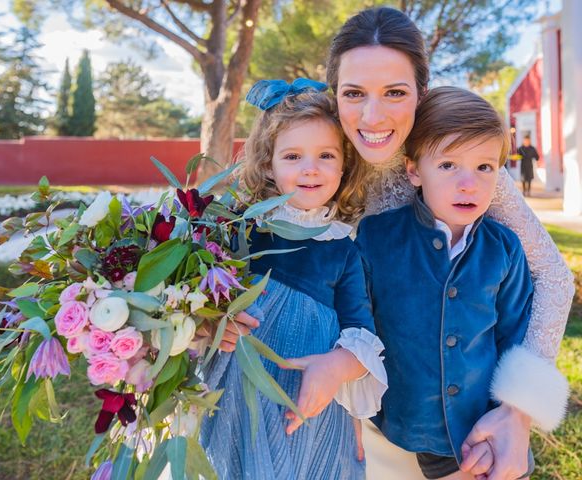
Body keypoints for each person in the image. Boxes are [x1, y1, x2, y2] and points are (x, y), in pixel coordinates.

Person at [226, 7, 573, 479]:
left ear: (421, 94)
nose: (373, 116)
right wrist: (218, 316)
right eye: (354, 93)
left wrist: (517, 411)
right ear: (334, 95)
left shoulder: (449, 157)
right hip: (331, 398)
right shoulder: (310, 154)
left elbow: (552, 276)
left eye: (395, 92)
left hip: (445, 418)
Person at [355, 86, 554, 479]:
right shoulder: (376, 238)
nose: (469, 183)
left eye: (484, 167)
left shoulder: (504, 248)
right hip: (407, 424)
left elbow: (514, 338)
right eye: (448, 165)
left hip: (484, 428)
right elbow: (356, 322)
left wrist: (508, 417)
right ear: (414, 170)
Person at [200, 79, 389, 479]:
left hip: (308, 402)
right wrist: (211, 323)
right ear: (269, 164)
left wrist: (336, 367)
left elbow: (361, 332)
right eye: (292, 155)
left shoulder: (342, 246)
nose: (310, 168)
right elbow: (198, 301)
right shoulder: (239, 231)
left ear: (344, 165)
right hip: (237, 393)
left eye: (325, 155)